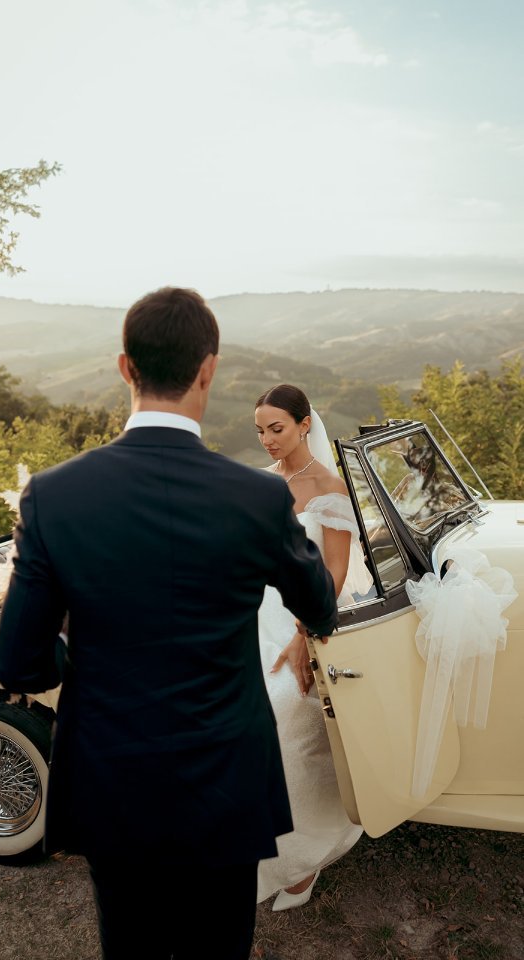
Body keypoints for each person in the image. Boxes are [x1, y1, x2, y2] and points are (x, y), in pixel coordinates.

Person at [0, 289, 339, 960]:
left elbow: (18, 663)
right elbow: (319, 606)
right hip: (228, 780)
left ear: (126, 368)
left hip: (113, 779)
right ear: (208, 370)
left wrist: (77, 662)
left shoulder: (55, 497)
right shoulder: (260, 497)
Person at [254, 383, 374, 911]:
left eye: (276, 428)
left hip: (304, 617)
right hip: (250, 613)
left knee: (284, 716)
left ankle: (302, 859)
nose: (267, 440)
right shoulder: (260, 485)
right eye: (259, 431)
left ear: (305, 424)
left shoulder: (329, 488)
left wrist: (303, 637)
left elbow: (335, 572)